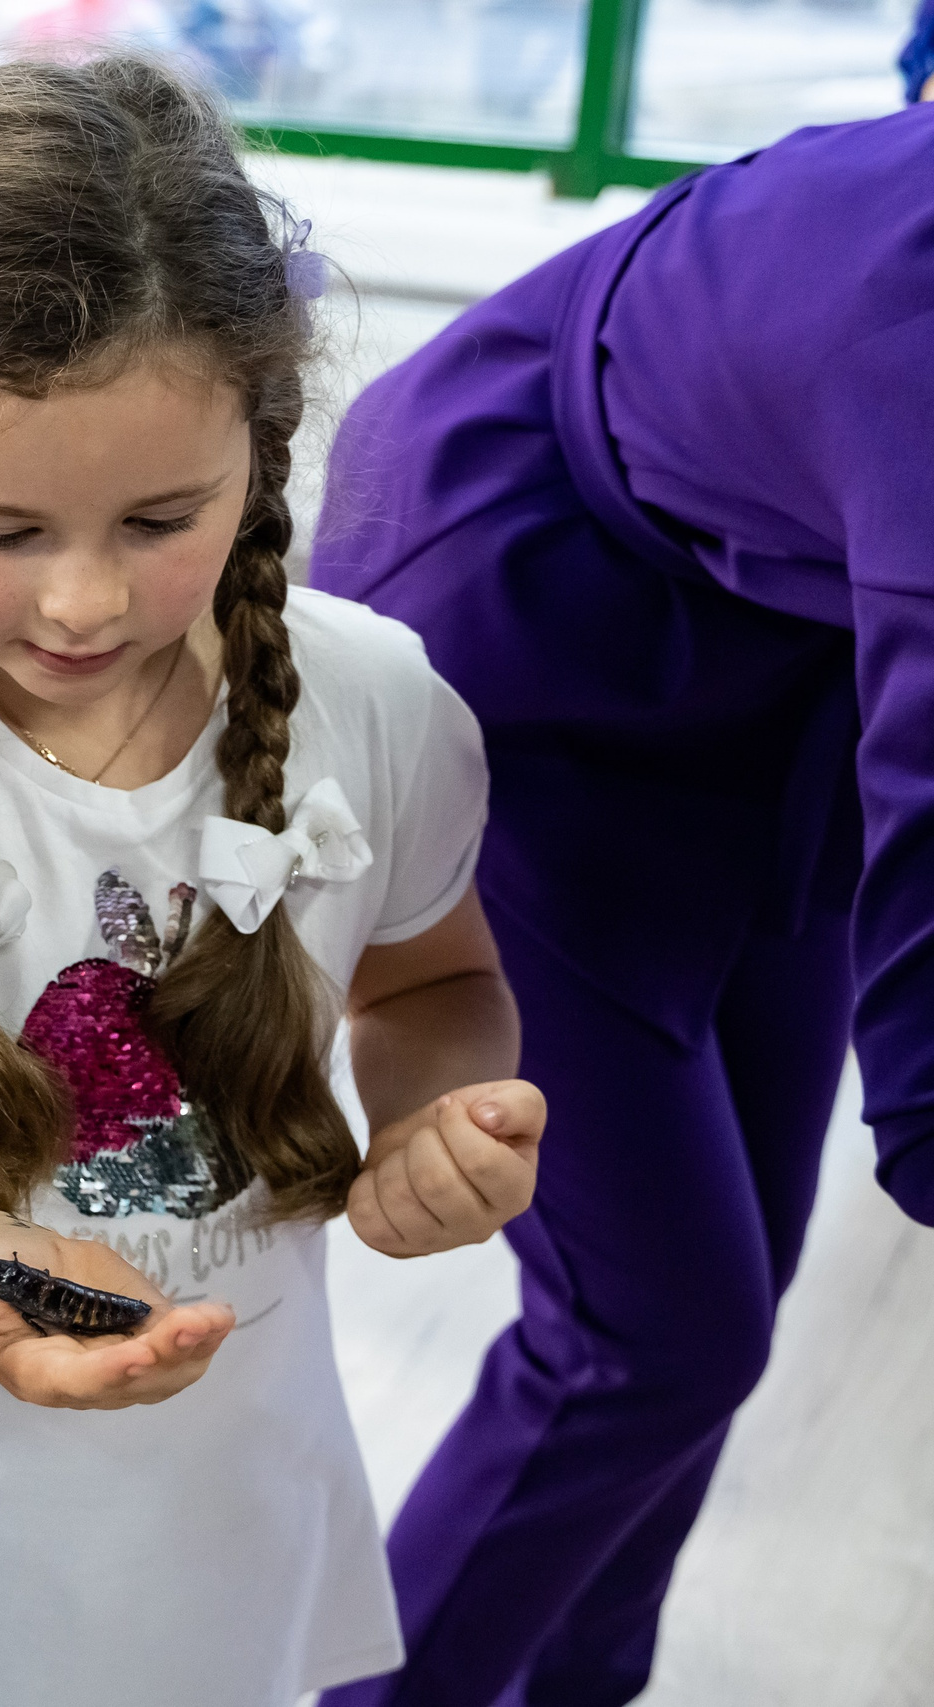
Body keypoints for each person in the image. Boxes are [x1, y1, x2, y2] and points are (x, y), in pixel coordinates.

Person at [0, 59, 549, 1705]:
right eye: (1, 531)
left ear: (260, 446)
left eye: (161, 518)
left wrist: (440, 1113)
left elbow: (435, 981)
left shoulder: (376, 702)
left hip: (230, 1511)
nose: (83, 601)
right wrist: (9, 1279)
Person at [307, 104, 934, 1707]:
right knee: (653, 1330)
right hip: (522, 635)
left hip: (781, 657)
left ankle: (579, 1681)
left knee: (729, 1291)